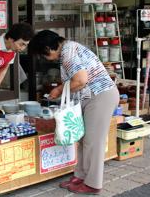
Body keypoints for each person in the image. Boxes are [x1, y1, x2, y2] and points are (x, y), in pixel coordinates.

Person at [28, 30, 119, 195]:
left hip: (100, 96)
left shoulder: (68, 52)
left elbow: (81, 80)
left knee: (93, 142)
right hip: (92, 98)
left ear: (49, 48)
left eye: (43, 55)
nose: (44, 59)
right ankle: (81, 176)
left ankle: (93, 183)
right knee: (84, 139)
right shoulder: (69, 50)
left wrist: (59, 89)